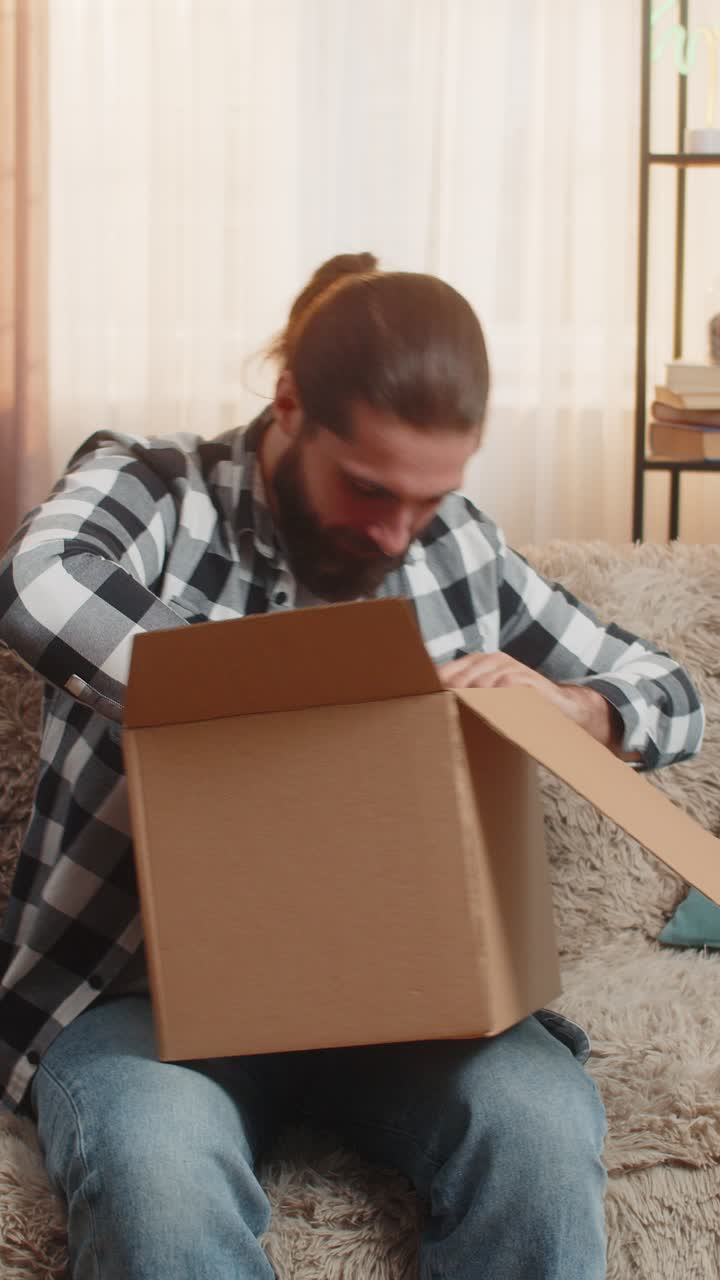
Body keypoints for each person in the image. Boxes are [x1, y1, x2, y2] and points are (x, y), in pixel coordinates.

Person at [0, 252, 704, 1280]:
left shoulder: (457, 546)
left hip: (404, 998)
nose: (393, 533)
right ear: (288, 405)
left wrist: (575, 706)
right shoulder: (155, 486)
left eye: (426, 498)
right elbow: (40, 583)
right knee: (156, 1174)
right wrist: (286, 690)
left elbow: (675, 690)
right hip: (140, 996)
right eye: (368, 488)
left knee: (541, 1130)